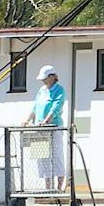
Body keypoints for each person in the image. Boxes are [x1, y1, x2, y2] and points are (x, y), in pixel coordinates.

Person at [30, 65, 68, 193]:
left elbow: (56, 107)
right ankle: (47, 188)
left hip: (53, 127)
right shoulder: (42, 90)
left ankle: (59, 188)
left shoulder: (59, 90)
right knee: (42, 157)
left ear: (52, 77)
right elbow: (35, 107)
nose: (43, 81)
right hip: (39, 128)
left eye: (45, 78)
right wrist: (28, 119)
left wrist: (46, 121)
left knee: (56, 155)